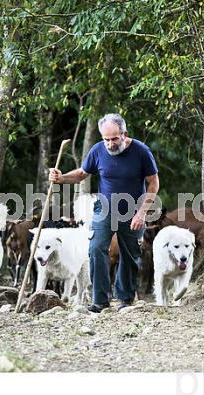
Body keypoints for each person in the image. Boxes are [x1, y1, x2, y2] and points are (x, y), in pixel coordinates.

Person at [49, 113, 159, 312]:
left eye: (114, 139)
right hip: (105, 208)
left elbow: (154, 183)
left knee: (130, 253)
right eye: (106, 139)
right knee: (96, 248)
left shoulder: (141, 151)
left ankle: (125, 299)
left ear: (125, 134)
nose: (110, 144)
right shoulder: (98, 150)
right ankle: (99, 300)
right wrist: (61, 177)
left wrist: (142, 213)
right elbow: (82, 174)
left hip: (133, 210)